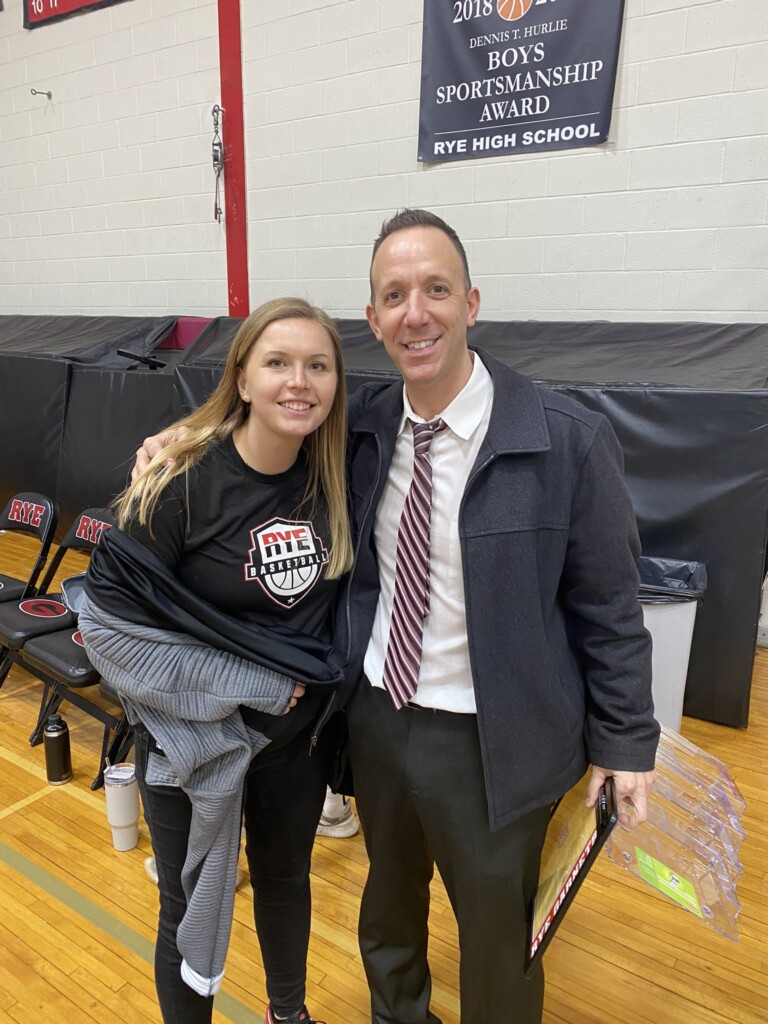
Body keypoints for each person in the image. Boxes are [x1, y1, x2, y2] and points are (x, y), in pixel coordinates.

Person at [135, 210, 659, 1024]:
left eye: (436, 290)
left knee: (497, 941)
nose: (416, 312)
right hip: (378, 720)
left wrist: (626, 742)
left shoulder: (567, 441)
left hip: (497, 738)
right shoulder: (362, 426)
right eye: (394, 295)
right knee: (388, 916)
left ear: (472, 302)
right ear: (374, 319)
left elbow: (610, 607)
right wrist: (185, 436)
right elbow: (265, 419)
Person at [81, 297, 353, 1024]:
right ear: (241, 378)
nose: (299, 382)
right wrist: (255, 684)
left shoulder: (341, 469)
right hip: (188, 743)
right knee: (185, 905)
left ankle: (287, 1014)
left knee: (286, 880)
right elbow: (107, 631)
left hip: (293, 747)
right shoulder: (179, 482)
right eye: (278, 363)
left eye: (317, 366)